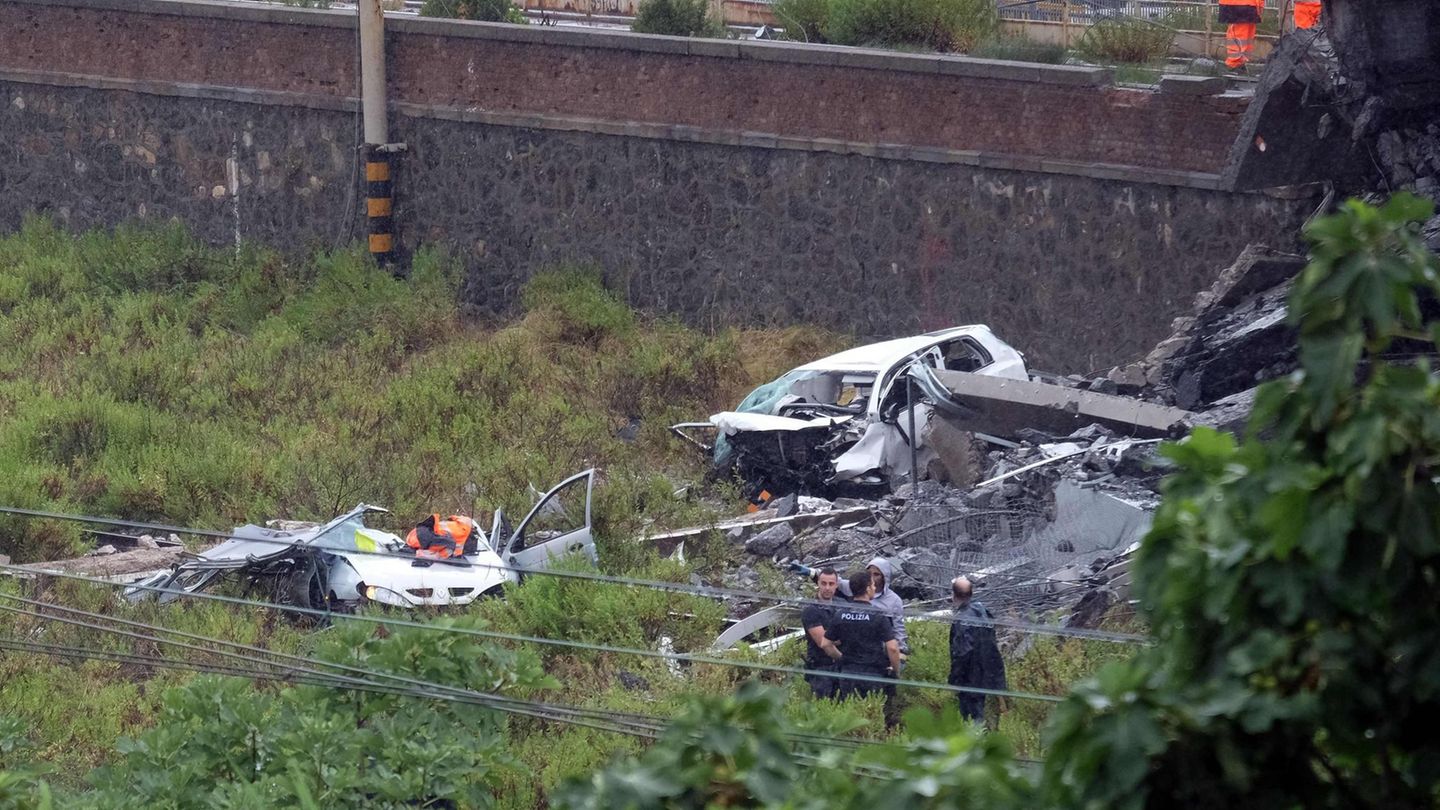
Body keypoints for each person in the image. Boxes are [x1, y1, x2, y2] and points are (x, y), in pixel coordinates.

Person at [824, 570, 901, 701]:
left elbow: (825, 644)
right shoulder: (879, 615)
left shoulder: (840, 614)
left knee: (852, 716)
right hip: (873, 674)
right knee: (872, 715)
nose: (875, 588)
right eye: (873, 585)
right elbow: (892, 648)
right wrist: (896, 670)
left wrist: (842, 659)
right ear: (867, 588)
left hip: (848, 674)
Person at [948, 576, 1007, 725]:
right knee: (983, 712)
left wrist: (955, 678)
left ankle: (977, 743)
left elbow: (962, 653)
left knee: (972, 717)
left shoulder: (962, 619)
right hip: (988, 671)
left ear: (954, 595)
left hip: (970, 677)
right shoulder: (982, 611)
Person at [801, 568, 844, 698]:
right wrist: (845, 637)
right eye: (823, 583)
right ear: (818, 584)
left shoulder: (842, 605)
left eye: (831, 584)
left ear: (836, 585)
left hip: (841, 669)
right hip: (821, 669)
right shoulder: (811, 610)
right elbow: (823, 642)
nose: (827, 587)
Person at [406, 514, 480, 562]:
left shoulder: (465, 524)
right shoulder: (454, 545)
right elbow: (440, 555)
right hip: (417, 538)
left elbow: (452, 517)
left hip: (418, 532)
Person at [1219, 0, 1265, 71]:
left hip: (1249, 4)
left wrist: (1260, 5)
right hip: (1239, 4)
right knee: (1240, 33)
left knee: (1246, 34)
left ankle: (1239, 62)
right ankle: (1234, 64)